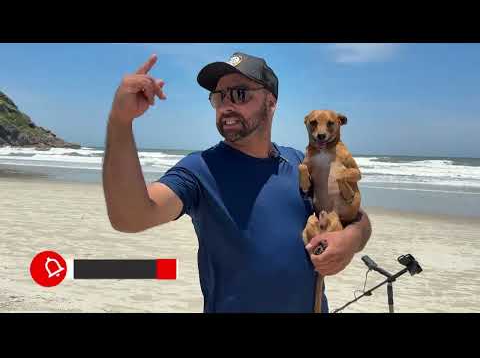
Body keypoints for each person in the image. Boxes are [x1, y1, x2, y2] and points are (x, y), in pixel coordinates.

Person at [102, 51, 372, 313]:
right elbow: (130, 217)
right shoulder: (201, 170)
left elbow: (357, 218)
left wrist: (350, 240)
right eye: (219, 97)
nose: (227, 105)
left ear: (271, 102)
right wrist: (120, 121)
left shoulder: (300, 164)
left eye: (240, 94)